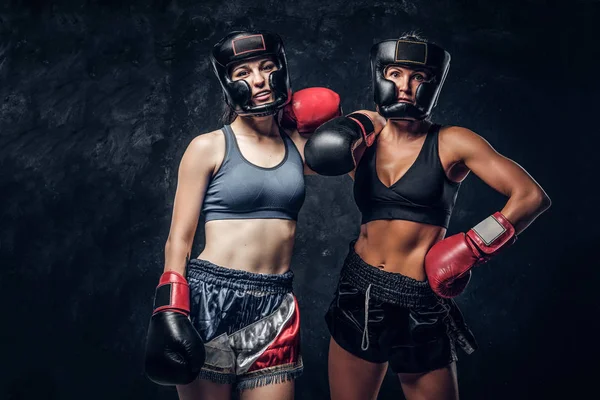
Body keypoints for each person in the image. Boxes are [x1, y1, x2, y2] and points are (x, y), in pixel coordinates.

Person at [304, 34, 552, 400]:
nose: (405, 86)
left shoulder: (453, 141)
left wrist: (472, 246)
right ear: (380, 76)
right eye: (395, 73)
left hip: (419, 302)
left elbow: (531, 196)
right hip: (359, 292)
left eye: (418, 76)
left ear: (433, 84)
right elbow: (308, 163)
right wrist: (306, 124)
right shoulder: (363, 134)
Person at [142, 30, 361, 399]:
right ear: (228, 83)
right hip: (211, 298)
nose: (258, 79)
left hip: (275, 304)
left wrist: (348, 122)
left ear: (282, 72)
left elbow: (366, 169)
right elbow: (178, 240)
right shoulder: (209, 146)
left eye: (267, 67)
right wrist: (170, 309)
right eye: (243, 72)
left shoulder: (299, 147)